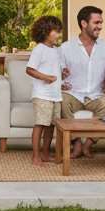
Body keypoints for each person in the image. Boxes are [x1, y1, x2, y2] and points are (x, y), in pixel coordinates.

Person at [58, 5, 105, 158]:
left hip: (97, 97)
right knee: (62, 100)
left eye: (101, 23)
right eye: (96, 23)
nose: (100, 27)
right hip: (73, 95)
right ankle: (76, 143)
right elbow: (57, 75)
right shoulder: (65, 48)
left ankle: (88, 143)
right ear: (84, 23)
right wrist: (61, 78)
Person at [25, 14, 64, 167]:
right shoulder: (39, 49)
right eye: (55, 31)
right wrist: (45, 77)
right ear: (45, 31)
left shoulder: (57, 51)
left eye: (59, 31)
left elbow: (56, 70)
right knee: (40, 124)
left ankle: (46, 154)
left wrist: (63, 74)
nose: (58, 35)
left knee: (51, 125)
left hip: (55, 95)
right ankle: (35, 157)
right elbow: (29, 69)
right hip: (42, 95)